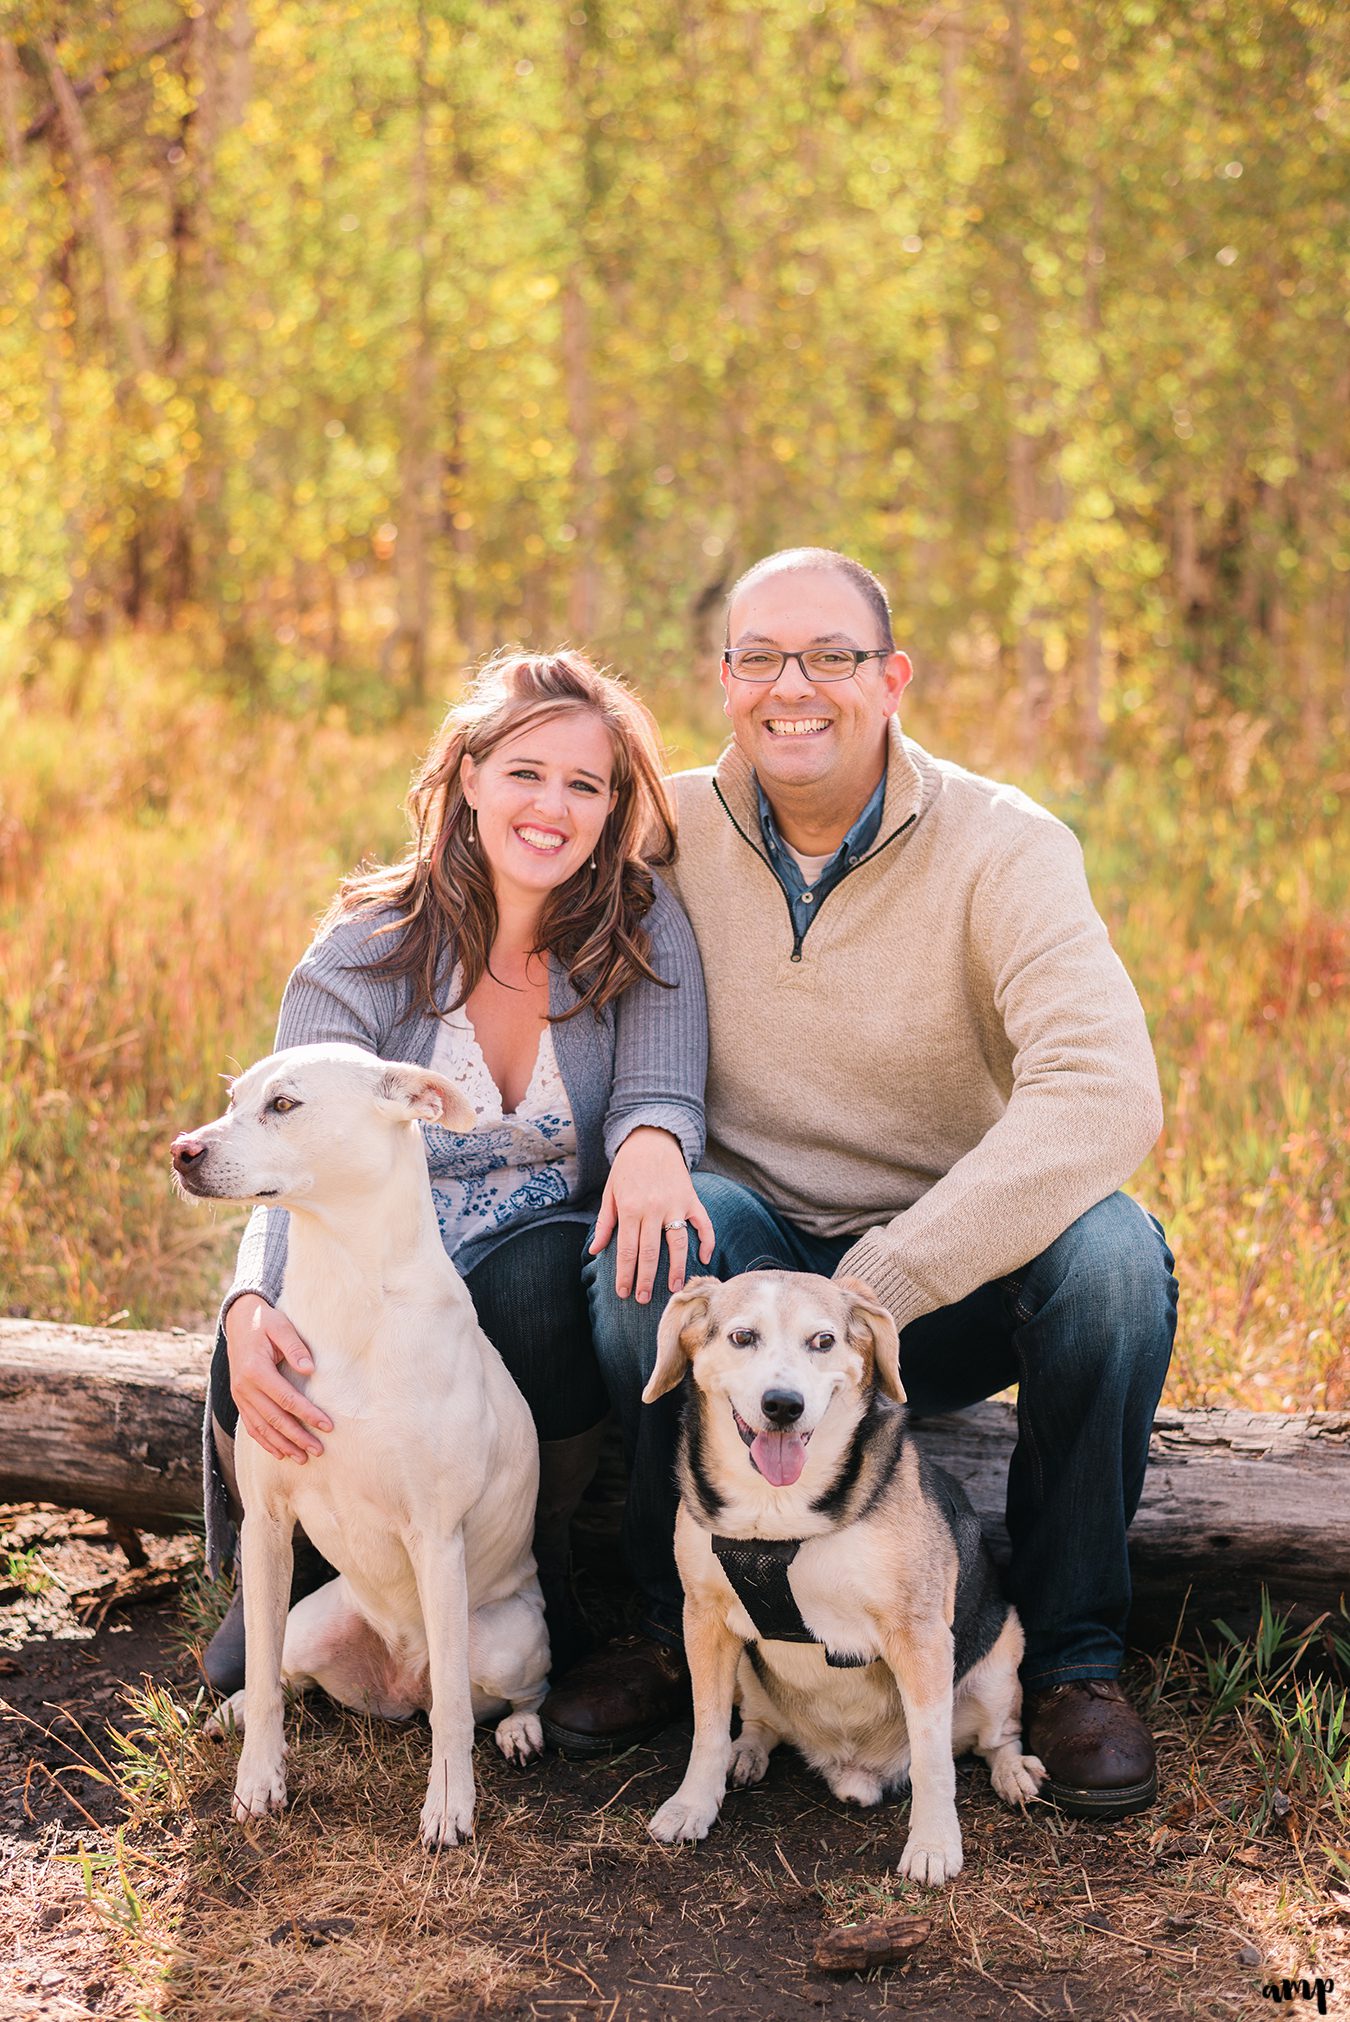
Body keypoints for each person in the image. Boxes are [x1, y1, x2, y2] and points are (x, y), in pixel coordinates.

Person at [542, 549, 1177, 1821]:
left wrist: (882, 1282)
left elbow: (1108, 1093)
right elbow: (527, 972)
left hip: (947, 1271)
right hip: (759, 1267)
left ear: (890, 678)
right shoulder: (658, 836)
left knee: (1112, 1264)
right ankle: (691, 1630)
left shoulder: (1004, 846)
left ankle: (1070, 1660)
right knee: (652, 1253)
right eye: (761, 657)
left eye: (831, 656)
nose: (795, 687)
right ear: (723, 679)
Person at [201, 648, 714, 1693]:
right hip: (371, 1278)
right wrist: (248, 1301)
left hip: (519, 1298)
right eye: (525, 772)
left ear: (613, 810)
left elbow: (661, 1089)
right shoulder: (368, 945)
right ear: (468, 777)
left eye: (586, 785)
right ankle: (293, 1572)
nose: (551, 806)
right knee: (261, 1343)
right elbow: (282, 1154)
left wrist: (657, 1142)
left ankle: (536, 1569)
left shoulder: (638, 925)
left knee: (541, 1278)